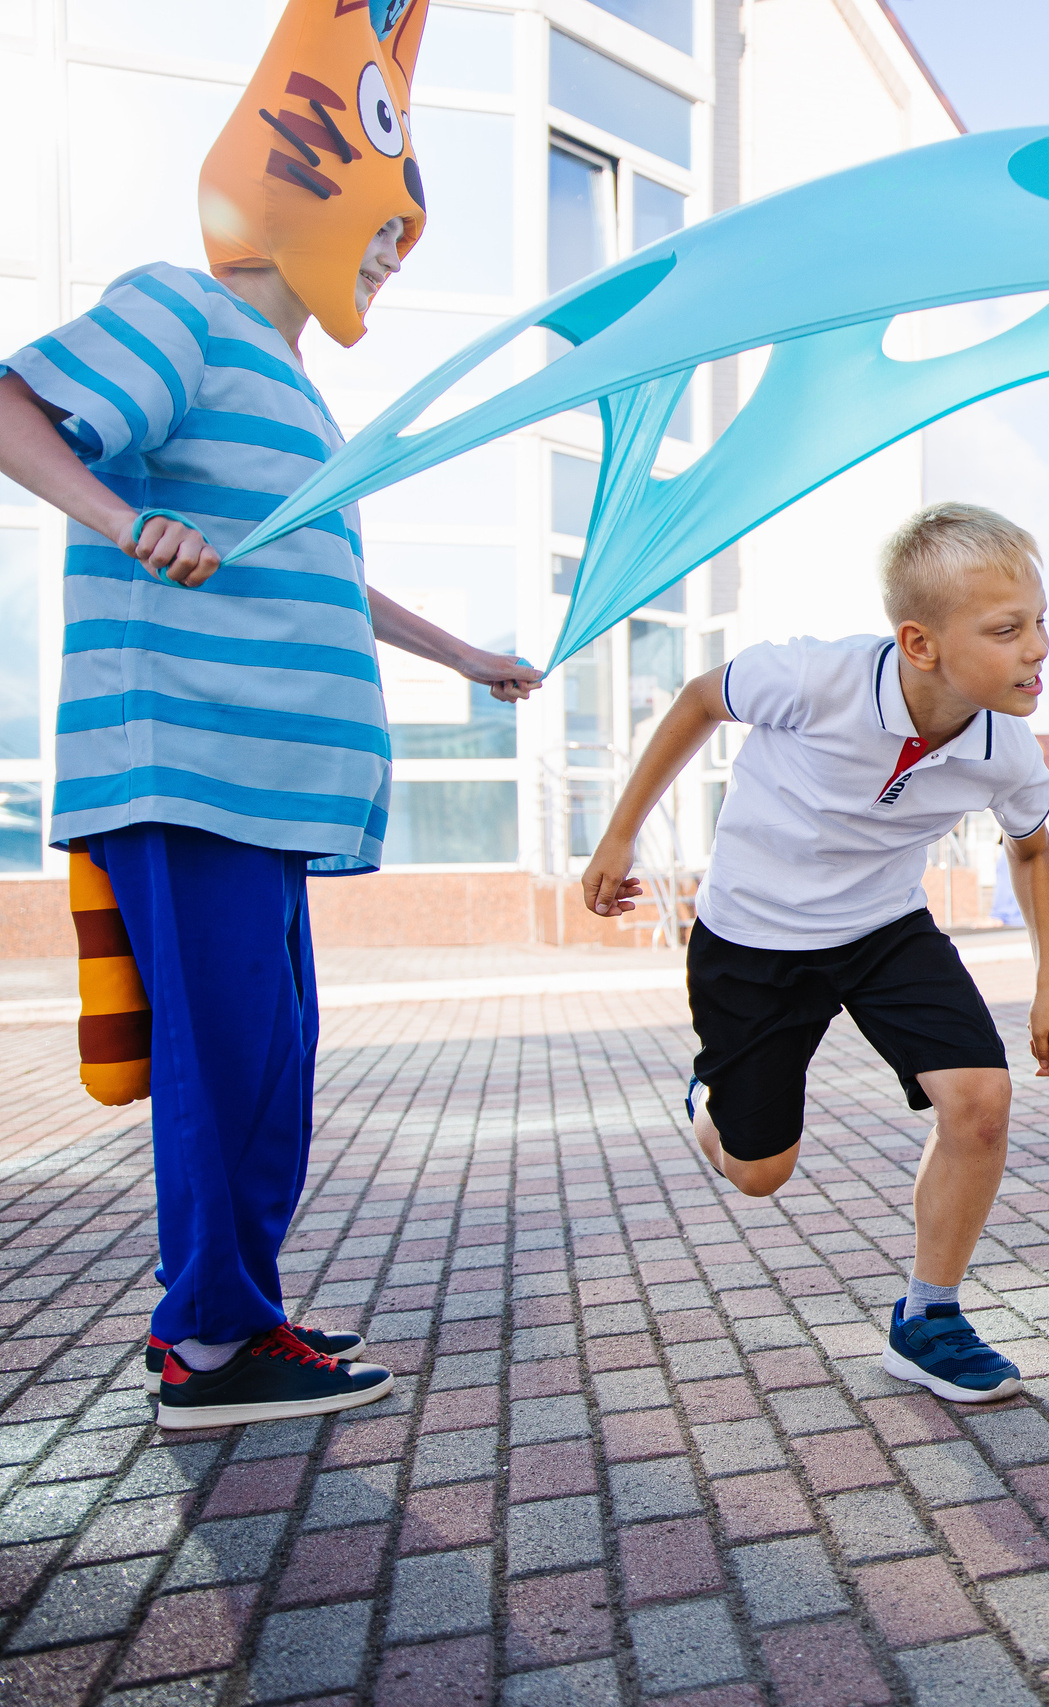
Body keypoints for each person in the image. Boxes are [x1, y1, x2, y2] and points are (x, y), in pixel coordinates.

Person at [0, 0, 543, 1428]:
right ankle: (210, 1340)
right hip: (190, 763)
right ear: (307, 171)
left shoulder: (300, 398)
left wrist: (468, 657)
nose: (387, 255)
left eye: (401, 241)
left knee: (268, 1061)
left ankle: (232, 1312)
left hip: (268, 795)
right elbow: (15, 405)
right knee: (228, 1057)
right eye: (383, 225)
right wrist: (126, 522)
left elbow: (331, 579)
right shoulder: (180, 311)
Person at [581, 503, 1049, 1403]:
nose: (1037, 646)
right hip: (753, 936)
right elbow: (698, 699)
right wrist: (619, 836)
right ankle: (712, 1098)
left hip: (882, 929)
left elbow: (1032, 845)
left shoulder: (1007, 747)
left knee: (980, 1099)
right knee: (760, 1172)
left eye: (1041, 621)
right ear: (920, 643)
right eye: (1007, 630)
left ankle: (929, 1320)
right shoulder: (816, 676)